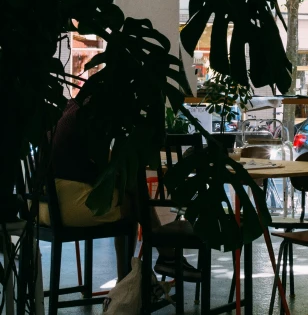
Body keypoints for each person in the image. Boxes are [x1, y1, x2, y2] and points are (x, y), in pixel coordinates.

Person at [47, 96, 199, 280]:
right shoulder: (90, 117)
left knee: (129, 192)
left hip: (48, 201)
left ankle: (135, 274)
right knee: (130, 201)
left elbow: (93, 165)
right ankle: (154, 262)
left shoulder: (70, 109)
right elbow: (99, 168)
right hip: (66, 202)